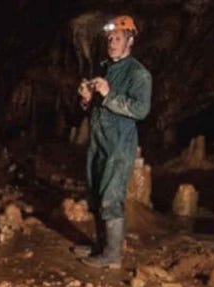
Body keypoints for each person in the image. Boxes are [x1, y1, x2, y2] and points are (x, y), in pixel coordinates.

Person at [74, 15, 152, 269]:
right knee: (96, 195)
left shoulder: (138, 73)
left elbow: (140, 110)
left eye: (117, 38)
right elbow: (97, 107)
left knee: (111, 196)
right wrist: (87, 99)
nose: (112, 42)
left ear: (129, 41)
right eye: (109, 38)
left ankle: (112, 254)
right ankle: (100, 245)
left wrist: (108, 93)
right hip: (99, 142)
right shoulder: (106, 67)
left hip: (119, 144)